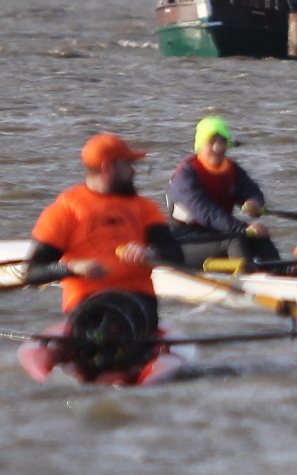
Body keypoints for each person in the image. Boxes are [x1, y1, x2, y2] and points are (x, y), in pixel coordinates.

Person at [19, 133, 193, 384]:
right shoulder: (66, 208)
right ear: (108, 168)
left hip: (137, 304)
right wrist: (72, 267)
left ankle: (120, 367)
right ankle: (95, 362)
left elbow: (176, 256)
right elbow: (32, 272)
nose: (134, 171)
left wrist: (150, 254)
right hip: (87, 305)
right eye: (128, 164)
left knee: (117, 325)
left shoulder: (145, 208)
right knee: (100, 322)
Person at [166, 116, 282, 268]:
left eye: (222, 142)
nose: (218, 148)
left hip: (217, 234)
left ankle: (281, 273)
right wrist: (243, 228)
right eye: (212, 142)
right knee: (235, 239)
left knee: (260, 236)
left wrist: (253, 203)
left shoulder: (231, 169)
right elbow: (206, 213)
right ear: (201, 145)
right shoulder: (185, 175)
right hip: (183, 242)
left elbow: (252, 190)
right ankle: (247, 282)